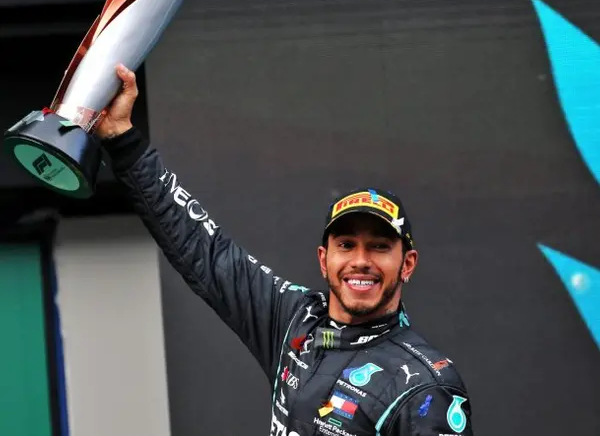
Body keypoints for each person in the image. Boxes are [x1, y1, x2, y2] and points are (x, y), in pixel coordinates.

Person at [97, 63, 474, 436]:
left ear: (407, 264)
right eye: (346, 245)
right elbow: (204, 249)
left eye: (379, 247)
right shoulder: (295, 321)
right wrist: (122, 139)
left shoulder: (426, 388)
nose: (361, 261)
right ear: (324, 259)